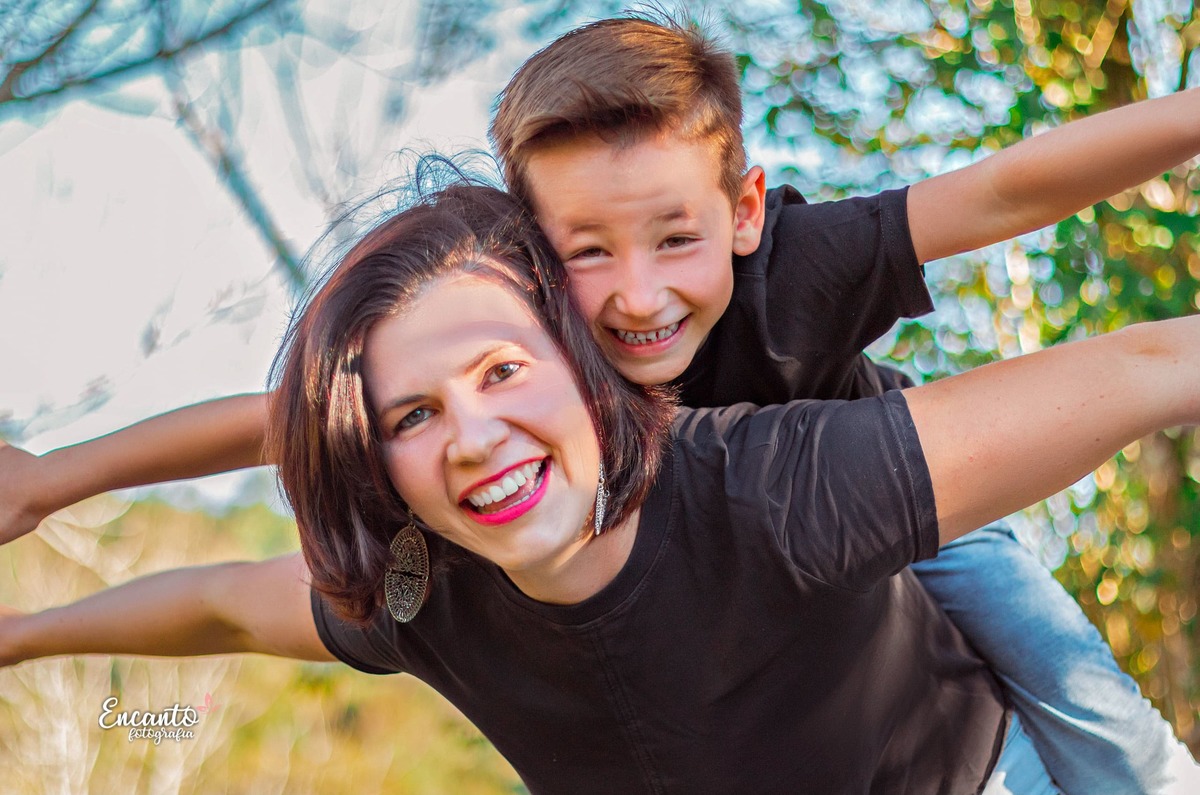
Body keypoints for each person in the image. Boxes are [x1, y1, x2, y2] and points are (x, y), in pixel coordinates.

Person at [2, 12, 1199, 793]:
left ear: (739, 211)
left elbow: (1002, 195)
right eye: (587, 253)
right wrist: (60, 480)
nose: (636, 299)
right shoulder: (492, 369)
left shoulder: (794, 286)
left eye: (675, 240)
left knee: (1072, 684)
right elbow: (288, 434)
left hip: (905, 494)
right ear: (532, 248)